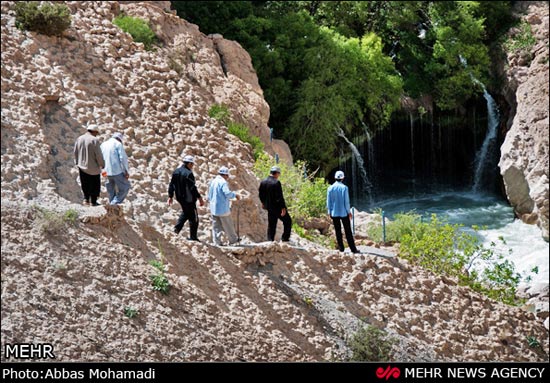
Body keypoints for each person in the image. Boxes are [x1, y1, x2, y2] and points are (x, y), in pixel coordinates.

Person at [168, 155, 204, 241]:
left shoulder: (176, 171)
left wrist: (170, 196)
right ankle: (193, 237)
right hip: (189, 199)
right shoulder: (188, 173)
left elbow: (171, 184)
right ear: (189, 163)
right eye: (192, 164)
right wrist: (199, 198)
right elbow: (192, 188)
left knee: (186, 212)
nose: (192, 166)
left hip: (179, 198)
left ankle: (176, 229)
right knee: (194, 218)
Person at [327, 171, 359, 254]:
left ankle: (341, 249)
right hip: (344, 212)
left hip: (334, 213)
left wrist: (329, 211)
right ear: (342, 178)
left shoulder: (330, 188)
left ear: (335, 178)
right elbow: (346, 202)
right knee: (348, 231)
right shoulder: (344, 188)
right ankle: (353, 249)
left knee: (338, 231)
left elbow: (328, 201)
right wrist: (349, 212)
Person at [207, 166, 240, 246]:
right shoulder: (223, 182)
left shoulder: (213, 181)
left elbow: (209, 195)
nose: (227, 177)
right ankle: (233, 240)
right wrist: (235, 195)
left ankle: (217, 242)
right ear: (225, 175)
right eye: (227, 175)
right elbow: (227, 193)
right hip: (222, 208)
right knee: (228, 224)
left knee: (216, 226)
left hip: (214, 207)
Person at [74, 124, 105, 206]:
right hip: (93, 167)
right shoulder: (94, 140)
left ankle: (86, 199)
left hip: (81, 166)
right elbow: (98, 154)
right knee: (95, 185)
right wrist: (102, 164)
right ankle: (93, 202)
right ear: (94, 131)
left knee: (85, 184)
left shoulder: (79, 138)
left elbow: (75, 152)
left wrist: (77, 162)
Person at [259, 166, 292, 242]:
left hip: (269, 207)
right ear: (276, 173)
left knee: (272, 224)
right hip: (277, 207)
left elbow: (261, 194)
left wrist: (263, 203)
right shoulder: (276, 182)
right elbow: (279, 197)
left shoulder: (263, 181)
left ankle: (270, 240)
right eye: (279, 174)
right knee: (288, 221)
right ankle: (285, 238)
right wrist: (283, 208)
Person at [100, 132, 131, 205]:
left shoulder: (103, 144)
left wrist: (102, 170)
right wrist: (126, 171)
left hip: (105, 171)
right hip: (116, 170)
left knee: (110, 189)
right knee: (125, 187)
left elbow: (99, 157)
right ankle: (114, 203)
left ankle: (112, 207)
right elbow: (122, 158)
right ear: (119, 139)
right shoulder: (118, 144)